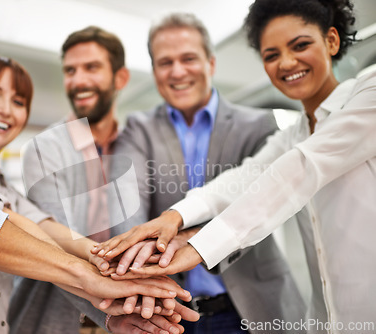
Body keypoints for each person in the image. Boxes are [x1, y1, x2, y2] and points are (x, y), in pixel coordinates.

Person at [0, 1, 192, 332]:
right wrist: (96, 278)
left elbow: (48, 229)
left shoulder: (3, 186)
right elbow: (5, 225)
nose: (5, 110)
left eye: (18, 101)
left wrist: (107, 265)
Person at [95, 1, 376, 333]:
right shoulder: (292, 135)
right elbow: (246, 177)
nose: (287, 62)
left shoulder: (368, 92)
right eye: (272, 55)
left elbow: (298, 171)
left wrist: (199, 245)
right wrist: (173, 218)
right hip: (325, 320)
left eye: (300, 45)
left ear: (331, 40)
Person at [104, 12, 305, 334]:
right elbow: (128, 204)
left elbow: (260, 206)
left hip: (251, 307)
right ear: (154, 70)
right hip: (169, 310)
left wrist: (187, 238)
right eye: (165, 62)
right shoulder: (138, 130)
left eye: (189, 58)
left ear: (210, 64)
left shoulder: (257, 125)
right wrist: (134, 259)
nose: (178, 71)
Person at [9, 26, 178, 334]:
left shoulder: (138, 145)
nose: (78, 80)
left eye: (92, 68)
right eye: (70, 70)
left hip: (134, 312)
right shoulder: (44, 148)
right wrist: (113, 309)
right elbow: (54, 244)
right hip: (60, 316)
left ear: (120, 78)